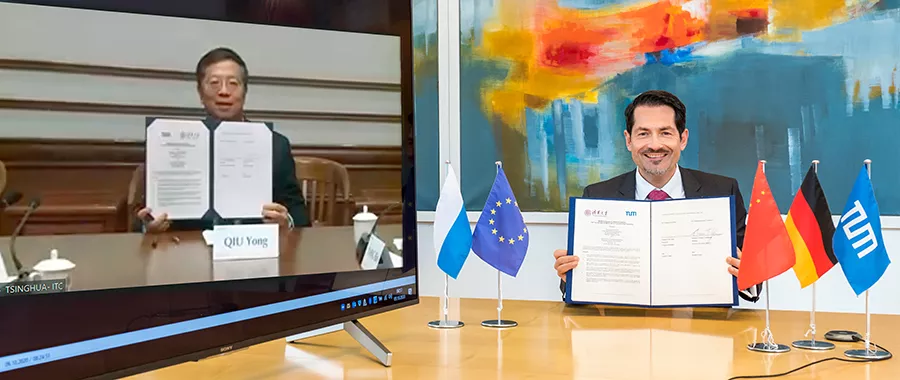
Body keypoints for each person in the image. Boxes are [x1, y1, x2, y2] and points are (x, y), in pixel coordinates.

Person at [552, 90, 762, 302]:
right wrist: (570, 277)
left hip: (705, 325)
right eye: (643, 133)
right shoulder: (597, 196)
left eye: (665, 133)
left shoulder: (722, 191)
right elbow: (582, 283)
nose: (654, 144)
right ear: (628, 140)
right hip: (623, 326)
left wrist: (748, 275)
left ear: (683, 139)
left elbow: (751, 279)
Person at [136, 47, 310, 232]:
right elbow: (142, 218)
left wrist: (286, 222)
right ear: (200, 93)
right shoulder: (170, 144)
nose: (224, 91)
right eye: (214, 83)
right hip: (191, 250)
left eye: (233, 83)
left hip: (254, 248)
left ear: (245, 92)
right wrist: (149, 225)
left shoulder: (275, 145)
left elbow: (299, 215)